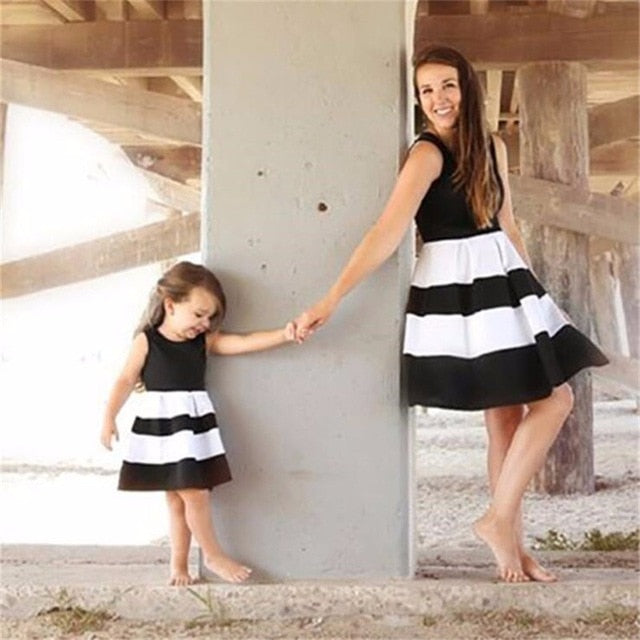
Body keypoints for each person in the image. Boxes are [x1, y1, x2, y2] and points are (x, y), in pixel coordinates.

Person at [294, 45, 608, 583]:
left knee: (510, 417)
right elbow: (387, 232)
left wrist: (533, 291)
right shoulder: (427, 154)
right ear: (418, 100)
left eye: (447, 86)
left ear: (467, 88)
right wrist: (332, 298)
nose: (438, 99)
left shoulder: (492, 146)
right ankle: (499, 522)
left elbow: (506, 222)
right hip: (458, 289)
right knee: (554, 399)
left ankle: (509, 543)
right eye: (426, 90)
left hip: (503, 279)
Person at [101, 261, 297, 585]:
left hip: (191, 427)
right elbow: (124, 379)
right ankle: (212, 554)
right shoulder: (147, 341)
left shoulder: (201, 343)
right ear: (170, 304)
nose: (205, 323)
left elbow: (243, 342)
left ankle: (178, 567)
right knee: (194, 495)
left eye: (210, 318)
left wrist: (283, 334)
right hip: (163, 430)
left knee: (181, 500)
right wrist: (108, 417)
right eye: (199, 314)